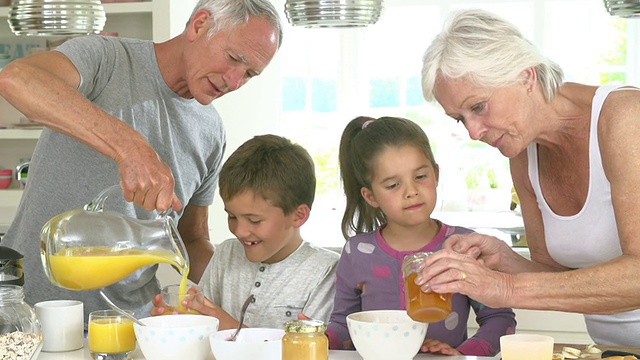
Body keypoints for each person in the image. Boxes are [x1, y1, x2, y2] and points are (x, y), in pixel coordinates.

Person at [0, 0, 282, 323]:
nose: (234, 81)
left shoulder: (211, 131)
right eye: (233, 59)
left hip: (131, 325)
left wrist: (260, 278)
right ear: (200, 24)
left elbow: (191, 238)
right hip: (27, 315)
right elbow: (18, 79)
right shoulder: (107, 59)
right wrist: (129, 147)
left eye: (249, 74)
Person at [419, 8, 640, 346]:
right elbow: (565, 283)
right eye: (460, 119)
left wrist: (503, 288)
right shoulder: (523, 153)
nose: (474, 132)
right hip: (614, 351)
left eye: (477, 106)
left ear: (525, 77)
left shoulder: (626, 119)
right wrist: (503, 263)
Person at [327, 116, 515, 356]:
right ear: (371, 196)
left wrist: (463, 354)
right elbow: (344, 324)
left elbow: (499, 318)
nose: (411, 191)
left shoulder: (464, 247)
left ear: (435, 175)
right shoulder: (357, 252)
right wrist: (320, 337)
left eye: (420, 177)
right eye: (393, 185)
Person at [152, 134, 340, 331]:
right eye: (232, 217)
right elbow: (202, 326)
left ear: (298, 215)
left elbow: (311, 349)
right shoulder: (226, 254)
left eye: (254, 220)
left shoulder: (325, 270)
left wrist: (229, 327)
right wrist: (182, 318)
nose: (239, 231)